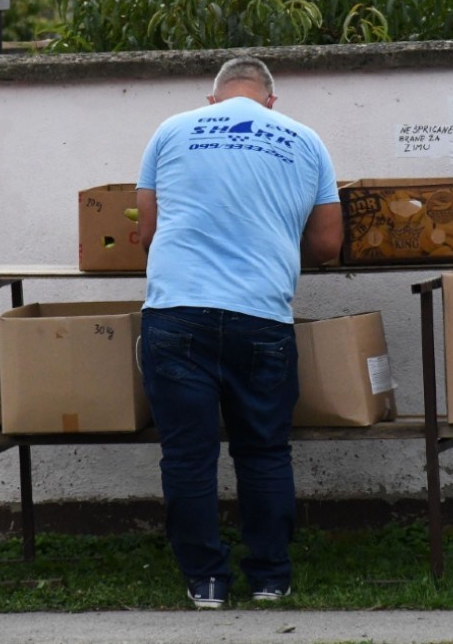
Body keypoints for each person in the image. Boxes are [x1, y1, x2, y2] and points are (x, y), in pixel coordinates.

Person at [135, 57, 342, 609]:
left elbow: (149, 231)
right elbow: (327, 245)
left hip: (177, 312)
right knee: (265, 451)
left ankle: (205, 581)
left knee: (188, 455)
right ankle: (271, 577)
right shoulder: (306, 140)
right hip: (262, 316)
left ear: (214, 100)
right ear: (270, 101)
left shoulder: (170, 130)